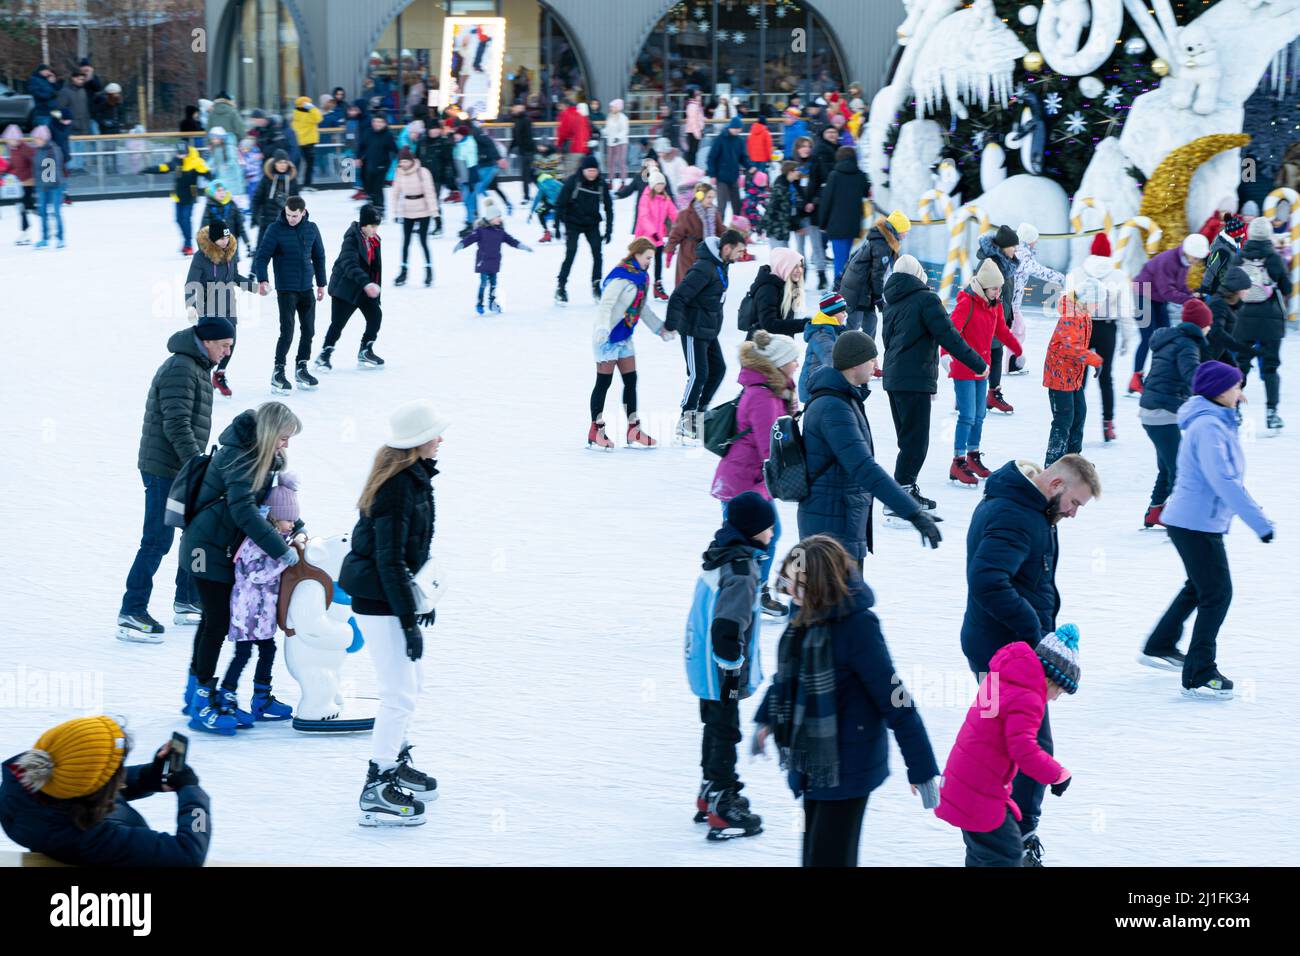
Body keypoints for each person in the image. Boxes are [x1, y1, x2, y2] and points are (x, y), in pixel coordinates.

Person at [753, 535, 941, 866]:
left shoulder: (858, 627)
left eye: (796, 586)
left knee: (829, 859)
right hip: (814, 762)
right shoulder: (804, 617)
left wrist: (922, 769)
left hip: (850, 766)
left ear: (818, 584)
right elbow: (787, 681)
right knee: (815, 856)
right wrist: (766, 718)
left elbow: (896, 699)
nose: (790, 594)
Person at [960, 453, 1100, 865]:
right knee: (1028, 744)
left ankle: (997, 832)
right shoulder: (1016, 515)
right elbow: (987, 581)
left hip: (998, 648)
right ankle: (1014, 836)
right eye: (1075, 503)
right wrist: (1034, 634)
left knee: (998, 742)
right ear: (1056, 485)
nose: (1073, 515)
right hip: (1003, 653)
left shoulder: (1028, 509)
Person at [341, 399, 447, 825]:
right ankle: (377, 785)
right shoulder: (398, 487)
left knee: (411, 683)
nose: (441, 439)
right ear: (417, 441)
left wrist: (422, 599)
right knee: (398, 693)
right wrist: (407, 619)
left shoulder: (412, 478)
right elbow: (388, 560)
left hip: (391, 596)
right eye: (435, 433)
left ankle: (395, 758)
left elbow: (410, 553)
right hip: (379, 600)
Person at [1141, 362, 1273, 698]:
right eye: (1236, 387)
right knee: (1217, 593)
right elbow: (1224, 481)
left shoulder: (1213, 421)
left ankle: (1160, 644)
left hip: (1193, 520)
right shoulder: (1209, 427)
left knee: (1199, 587)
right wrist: (1260, 523)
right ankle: (1200, 672)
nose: (1241, 395)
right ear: (1218, 389)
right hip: (1194, 523)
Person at [181, 402, 302, 735]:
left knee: (212, 620)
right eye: (283, 437)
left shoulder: (261, 458)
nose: (286, 444)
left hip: (223, 548)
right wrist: (281, 550)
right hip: (204, 548)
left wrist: (298, 526)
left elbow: (269, 506)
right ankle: (202, 700)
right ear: (268, 432)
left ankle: (195, 693)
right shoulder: (239, 457)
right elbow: (245, 513)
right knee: (216, 621)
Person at [118, 318, 233, 642]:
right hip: (164, 467)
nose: (226, 352)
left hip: (181, 466)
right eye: (224, 345)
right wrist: (197, 463)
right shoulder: (181, 368)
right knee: (157, 539)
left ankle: (186, 600)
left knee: (195, 531)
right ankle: (131, 611)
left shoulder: (197, 367)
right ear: (207, 341)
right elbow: (177, 423)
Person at [935, 626, 1078, 867]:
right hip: (980, 794)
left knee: (983, 856)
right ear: (1049, 678)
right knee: (1008, 856)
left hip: (964, 783)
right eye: (1059, 691)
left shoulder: (1004, 677)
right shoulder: (1028, 698)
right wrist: (1058, 774)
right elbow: (1023, 749)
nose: (1054, 698)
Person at [798, 331, 942, 565]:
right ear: (855, 363)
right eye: (872, 359)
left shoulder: (844, 399)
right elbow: (864, 467)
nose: (876, 364)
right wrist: (913, 512)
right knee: (824, 597)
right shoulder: (834, 408)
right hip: (830, 526)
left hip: (838, 518)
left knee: (828, 597)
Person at [683, 491, 774, 842]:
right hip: (721, 671)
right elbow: (727, 627)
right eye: (767, 525)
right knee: (725, 729)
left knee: (714, 725)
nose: (771, 531)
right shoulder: (741, 570)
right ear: (753, 529)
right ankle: (723, 801)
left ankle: (710, 790)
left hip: (704, 666)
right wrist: (732, 668)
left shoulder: (723, 558)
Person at [0, 716, 209, 866]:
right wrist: (191, 792)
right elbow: (189, 854)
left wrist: (147, 777)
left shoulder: (28, 788)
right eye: (116, 770)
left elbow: (89, 787)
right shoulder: (97, 841)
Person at [882, 254, 988, 507]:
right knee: (915, 442)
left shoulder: (891, 302)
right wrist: (978, 363)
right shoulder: (926, 299)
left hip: (894, 378)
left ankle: (903, 491)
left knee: (907, 440)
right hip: (914, 379)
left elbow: (888, 341)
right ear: (919, 273)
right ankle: (901, 496)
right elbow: (949, 335)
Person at [712, 331, 802, 607]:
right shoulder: (764, 396)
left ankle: (754, 590)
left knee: (765, 537)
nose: (797, 364)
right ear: (778, 364)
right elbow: (770, 448)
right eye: (793, 359)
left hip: (750, 481)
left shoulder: (772, 391)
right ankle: (743, 592)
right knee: (748, 541)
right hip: (742, 483)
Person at [219, 472, 303, 723]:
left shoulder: (277, 537)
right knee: (242, 654)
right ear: (275, 517)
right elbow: (255, 574)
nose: (292, 525)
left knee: (268, 650)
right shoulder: (257, 540)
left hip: (262, 612)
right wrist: (284, 560)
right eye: (289, 520)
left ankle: (261, 697)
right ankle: (227, 695)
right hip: (247, 611)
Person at [589, 237, 673, 449]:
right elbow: (605, 305)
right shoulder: (621, 277)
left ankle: (633, 429)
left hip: (624, 336)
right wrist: (602, 328)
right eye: (647, 257)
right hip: (606, 337)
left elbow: (642, 308)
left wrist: (659, 329)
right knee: (604, 383)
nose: (649, 262)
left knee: (631, 381)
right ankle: (596, 430)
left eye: (652, 258)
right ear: (636, 254)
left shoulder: (642, 278)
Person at [943, 259, 1021, 486]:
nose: (999, 292)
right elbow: (950, 331)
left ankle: (973, 455)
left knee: (980, 415)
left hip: (982, 368)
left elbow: (1001, 331)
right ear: (984, 287)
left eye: (999, 288)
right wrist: (945, 354)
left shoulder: (993, 304)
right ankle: (957, 462)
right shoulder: (967, 303)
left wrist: (1017, 349)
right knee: (967, 415)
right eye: (995, 288)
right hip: (963, 368)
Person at [666, 230, 748, 441]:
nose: (741, 256)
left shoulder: (721, 265)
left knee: (718, 369)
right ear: (727, 248)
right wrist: (671, 324)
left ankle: (699, 415)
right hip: (694, 329)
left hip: (709, 329)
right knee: (698, 374)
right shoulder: (704, 268)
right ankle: (686, 420)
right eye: (739, 251)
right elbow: (678, 296)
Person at [1137, 298, 1212, 529]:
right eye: (1208, 324)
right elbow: (1192, 375)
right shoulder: (1188, 345)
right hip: (1163, 413)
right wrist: (1216, 390)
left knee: (1167, 466)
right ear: (1201, 325)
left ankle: (1155, 511)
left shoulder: (1170, 340)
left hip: (1151, 410)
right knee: (1180, 468)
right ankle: (1181, 516)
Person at [1065, 232, 1135, 442]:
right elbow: (1126, 310)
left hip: (1082, 326)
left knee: (1079, 377)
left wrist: (1068, 332)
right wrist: (1126, 339)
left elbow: (1067, 304)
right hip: (1107, 329)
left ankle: (1075, 422)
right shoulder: (1118, 276)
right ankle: (1108, 424)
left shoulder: (1077, 273)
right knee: (1106, 377)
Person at [252, 195, 327, 392]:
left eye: (295, 215)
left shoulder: (311, 229)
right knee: (287, 332)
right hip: (286, 289)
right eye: (288, 214)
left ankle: (301, 367)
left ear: (303, 212)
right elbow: (261, 257)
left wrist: (321, 283)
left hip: (306, 288)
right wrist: (263, 279)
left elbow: (319, 257)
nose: (291, 218)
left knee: (309, 330)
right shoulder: (275, 229)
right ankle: (278, 372)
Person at [1130, 233, 1209, 394]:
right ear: (1189, 252)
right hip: (1143, 293)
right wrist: (1190, 301)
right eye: (1196, 257)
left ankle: (1157, 377)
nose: (1196, 261)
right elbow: (1167, 291)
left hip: (1157, 297)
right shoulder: (1168, 261)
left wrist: (1192, 295)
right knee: (1147, 338)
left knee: (1166, 337)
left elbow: (1180, 286)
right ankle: (1135, 379)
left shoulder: (1184, 261)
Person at [1233, 214, 1291, 430]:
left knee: (1240, 366)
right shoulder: (1274, 258)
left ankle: (1234, 409)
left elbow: (1230, 284)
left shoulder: (1240, 257)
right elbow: (1287, 288)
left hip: (1244, 318)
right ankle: (1271, 413)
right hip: (1271, 321)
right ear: (1268, 234)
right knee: (1270, 367)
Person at [185, 220, 253, 397]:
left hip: (228, 304)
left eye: (227, 237)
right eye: (221, 238)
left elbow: (235, 276)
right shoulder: (201, 257)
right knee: (209, 348)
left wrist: (253, 287)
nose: (225, 241)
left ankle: (219, 374)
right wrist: (191, 307)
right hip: (208, 307)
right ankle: (201, 379)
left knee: (230, 343)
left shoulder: (230, 252)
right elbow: (192, 283)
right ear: (213, 239)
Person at [317, 203, 388, 372]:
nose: (374, 229)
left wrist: (373, 286)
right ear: (363, 224)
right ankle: (324, 355)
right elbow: (350, 265)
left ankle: (365, 350)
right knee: (338, 324)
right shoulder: (351, 240)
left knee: (375, 316)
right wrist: (367, 283)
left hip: (364, 288)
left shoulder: (374, 241)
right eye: (371, 226)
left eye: (376, 226)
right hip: (345, 289)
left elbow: (375, 267)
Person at [1042, 293, 1104, 466]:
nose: (1098, 306)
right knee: (1064, 419)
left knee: (1079, 414)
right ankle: (1053, 463)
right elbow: (1071, 347)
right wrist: (1094, 360)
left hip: (1073, 376)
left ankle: (1072, 460)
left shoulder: (1084, 316)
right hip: (1059, 375)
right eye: (1097, 301)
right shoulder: (1070, 315)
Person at [454, 196, 533, 314]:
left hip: (495, 262)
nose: (500, 219)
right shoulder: (481, 230)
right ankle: (480, 303)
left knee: (494, 285)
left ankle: (492, 303)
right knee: (483, 283)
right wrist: (461, 244)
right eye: (498, 217)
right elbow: (470, 238)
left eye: (500, 216)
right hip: (483, 262)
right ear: (491, 218)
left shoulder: (500, 231)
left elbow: (512, 241)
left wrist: (522, 246)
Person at [838, 211, 910, 336]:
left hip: (865, 290)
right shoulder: (882, 244)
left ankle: (868, 354)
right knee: (853, 324)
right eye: (905, 230)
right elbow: (877, 274)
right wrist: (878, 298)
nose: (906, 234)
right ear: (898, 229)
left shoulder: (883, 239)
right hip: (857, 289)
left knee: (870, 323)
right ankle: (840, 350)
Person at [554, 154, 613, 305]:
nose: (592, 174)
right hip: (572, 222)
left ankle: (596, 284)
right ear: (583, 170)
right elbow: (560, 204)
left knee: (597, 253)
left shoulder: (601, 184)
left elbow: (608, 207)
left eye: (595, 171)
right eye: (589, 171)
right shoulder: (573, 181)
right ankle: (561, 286)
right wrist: (558, 227)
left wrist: (608, 230)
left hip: (592, 223)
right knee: (571, 252)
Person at [974, 225, 1020, 413]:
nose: (1015, 250)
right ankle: (967, 395)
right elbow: (977, 289)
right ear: (1003, 246)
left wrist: (1008, 316)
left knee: (996, 354)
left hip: (999, 317)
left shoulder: (1006, 262)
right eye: (1013, 246)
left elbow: (1006, 292)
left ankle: (992, 394)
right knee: (982, 355)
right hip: (987, 317)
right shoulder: (990, 263)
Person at [1008, 222, 1065, 375]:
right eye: (1035, 239)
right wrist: (1060, 278)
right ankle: (1011, 364)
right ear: (1028, 239)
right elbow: (1038, 270)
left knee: (1015, 331)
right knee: (1017, 331)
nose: (1037, 242)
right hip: (1011, 303)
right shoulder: (1022, 254)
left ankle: (1011, 363)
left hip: (1012, 302)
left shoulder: (1019, 250)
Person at [141, 141, 209, 256]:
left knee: (186, 220)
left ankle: (188, 245)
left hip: (190, 197)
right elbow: (164, 168)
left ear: (188, 152)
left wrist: (212, 179)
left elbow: (208, 174)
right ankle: (186, 242)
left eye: (183, 153)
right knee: (178, 220)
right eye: (179, 153)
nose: (180, 155)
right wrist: (147, 169)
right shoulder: (176, 161)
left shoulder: (196, 162)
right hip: (178, 196)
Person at [817, 146, 870, 283]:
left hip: (836, 224)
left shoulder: (834, 175)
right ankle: (851, 286)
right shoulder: (860, 175)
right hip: (854, 224)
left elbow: (826, 201)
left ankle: (839, 286)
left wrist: (822, 223)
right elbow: (866, 193)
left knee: (840, 259)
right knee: (852, 257)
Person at [391, 147, 438, 287]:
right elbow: (395, 194)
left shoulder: (422, 172)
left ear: (411, 161)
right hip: (407, 211)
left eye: (406, 161)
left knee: (423, 241)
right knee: (406, 242)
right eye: (401, 162)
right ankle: (403, 271)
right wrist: (394, 213)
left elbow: (430, 192)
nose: (403, 164)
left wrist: (435, 213)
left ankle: (429, 270)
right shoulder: (398, 173)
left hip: (423, 210)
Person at [665, 181, 723, 290]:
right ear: (700, 196)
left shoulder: (714, 213)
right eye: (709, 197)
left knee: (705, 285)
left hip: (709, 254)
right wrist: (670, 251)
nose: (711, 200)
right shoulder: (686, 214)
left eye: (713, 197)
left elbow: (721, 231)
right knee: (688, 284)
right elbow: (675, 234)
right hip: (690, 254)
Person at [788, 137, 829, 289]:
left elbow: (822, 185)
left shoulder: (816, 162)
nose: (805, 149)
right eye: (802, 146)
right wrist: (801, 204)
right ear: (797, 149)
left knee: (817, 245)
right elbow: (790, 188)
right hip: (798, 213)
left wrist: (814, 202)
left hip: (813, 212)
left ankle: (822, 275)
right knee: (799, 248)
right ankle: (801, 276)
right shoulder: (793, 164)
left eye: (808, 146)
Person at [798, 291, 849, 403]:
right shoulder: (822, 334)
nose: (845, 315)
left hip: (821, 384)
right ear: (832, 313)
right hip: (813, 387)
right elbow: (831, 359)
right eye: (842, 311)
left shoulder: (831, 330)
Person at [749, 245, 808, 341]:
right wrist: (804, 324)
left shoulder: (787, 287)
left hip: (777, 347)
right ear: (783, 266)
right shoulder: (768, 289)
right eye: (794, 266)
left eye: (801, 266)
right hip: (761, 348)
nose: (799, 270)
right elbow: (769, 325)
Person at [250, 149, 299, 250]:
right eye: (279, 162)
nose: (282, 165)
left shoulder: (292, 181)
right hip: (267, 223)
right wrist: (255, 216)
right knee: (260, 254)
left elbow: (298, 204)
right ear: (274, 163)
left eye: (285, 162)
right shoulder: (266, 179)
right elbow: (256, 198)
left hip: (286, 225)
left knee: (287, 257)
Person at [707, 115, 750, 223]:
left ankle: (737, 226)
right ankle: (719, 227)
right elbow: (711, 158)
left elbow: (742, 157)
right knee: (722, 205)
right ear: (730, 127)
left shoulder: (739, 141)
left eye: (739, 129)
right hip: (721, 177)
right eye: (735, 128)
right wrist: (712, 174)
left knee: (737, 204)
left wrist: (750, 166)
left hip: (733, 176)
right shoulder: (720, 139)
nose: (737, 131)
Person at [358, 113, 398, 218]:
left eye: (380, 122)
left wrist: (398, 161)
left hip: (382, 165)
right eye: (375, 122)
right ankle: (371, 205)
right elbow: (361, 146)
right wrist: (358, 157)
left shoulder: (388, 135)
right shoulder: (368, 132)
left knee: (378, 187)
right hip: (368, 164)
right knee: (368, 186)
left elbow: (395, 149)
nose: (377, 124)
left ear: (384, 123)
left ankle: (380, 209)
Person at [3, 124, 36, 245]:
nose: (10, 142)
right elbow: (12, 164)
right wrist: (4, 172)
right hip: (24, 182)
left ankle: (25, 233)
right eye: (8, 140)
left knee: (23, 206)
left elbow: (36, 161)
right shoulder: (13, 150)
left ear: (17, 138)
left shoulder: (26, 148)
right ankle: (47, 218)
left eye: (11, 139)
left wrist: (35, 177)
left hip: (31, 182)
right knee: (28, 207)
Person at [200, 180, 248, 258]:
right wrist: (204, 248)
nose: (222, 193)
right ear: (212, 193)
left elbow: (240, 226)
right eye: (218, 191)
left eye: (223, 190)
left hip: (232, 247)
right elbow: (203, 230)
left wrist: (247, 242)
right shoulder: (209, 208)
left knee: (232, 268)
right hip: (216, 247)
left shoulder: (232, 205)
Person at [762, 160, 798, 249]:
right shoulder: (780, 185)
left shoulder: (790, 185)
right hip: (776, 229)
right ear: (790, 171)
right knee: (779, 255)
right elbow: (772, 206)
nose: (799, 172)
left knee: (784, 255)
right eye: (797, 170)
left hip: (783, 228)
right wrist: (763, 224)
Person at [290, 95, 323, 190]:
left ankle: (294, 184)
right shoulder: (309, 114)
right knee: (309, 164)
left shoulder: (295, 114)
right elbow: (319, 119)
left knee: (297, 165)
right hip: (308, 142)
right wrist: (312, 108)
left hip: (298, 142)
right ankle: (307, 184)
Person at [555, 98, 592, 178]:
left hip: (572, 149)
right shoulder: (581, 115)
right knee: (580, 176)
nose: (559, 109)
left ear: (565, 105)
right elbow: (588, 132)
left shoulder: (567, 114)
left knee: (570, 176)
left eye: (560, 106)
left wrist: (558, 145)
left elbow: (563, 132)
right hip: (582, 149)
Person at [508, 102, 536, 200]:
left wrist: (527, 150)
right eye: (514, 108)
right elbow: (516, 138)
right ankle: (526, 195)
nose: (514, 109)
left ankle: (531, 195)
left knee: (529, 175)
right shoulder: (517, 120)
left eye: (517, 107)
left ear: (522, 108)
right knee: (526, 175)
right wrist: (510, 149)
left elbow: (527, 137)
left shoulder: (525, 120)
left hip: (528, 151)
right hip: (524, 152)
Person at [602, 97, 629, 186]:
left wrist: (618, 137)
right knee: (610, 162)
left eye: (613, 107)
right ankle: (610, 181)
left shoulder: (623, 118)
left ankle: (623, 182)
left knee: (621, 162)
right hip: (610, 143)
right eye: (611, 107)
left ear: (618, 107)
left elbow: (625, 130)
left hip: (621, 143)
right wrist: (601, 132)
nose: (611, 108)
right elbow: (608, 128)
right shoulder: (609, 116)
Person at [683, 89, 705, 166]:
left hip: (695, 131)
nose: (700, 97)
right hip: (693, 132)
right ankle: (691, 167)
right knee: (692, 152)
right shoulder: (693, 106)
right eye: (698, 95)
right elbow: (693, 121)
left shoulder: (696, 105)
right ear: (694, 96)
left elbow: (699, 118)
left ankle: (692, 167)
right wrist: (697, 134)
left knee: (693, 152)